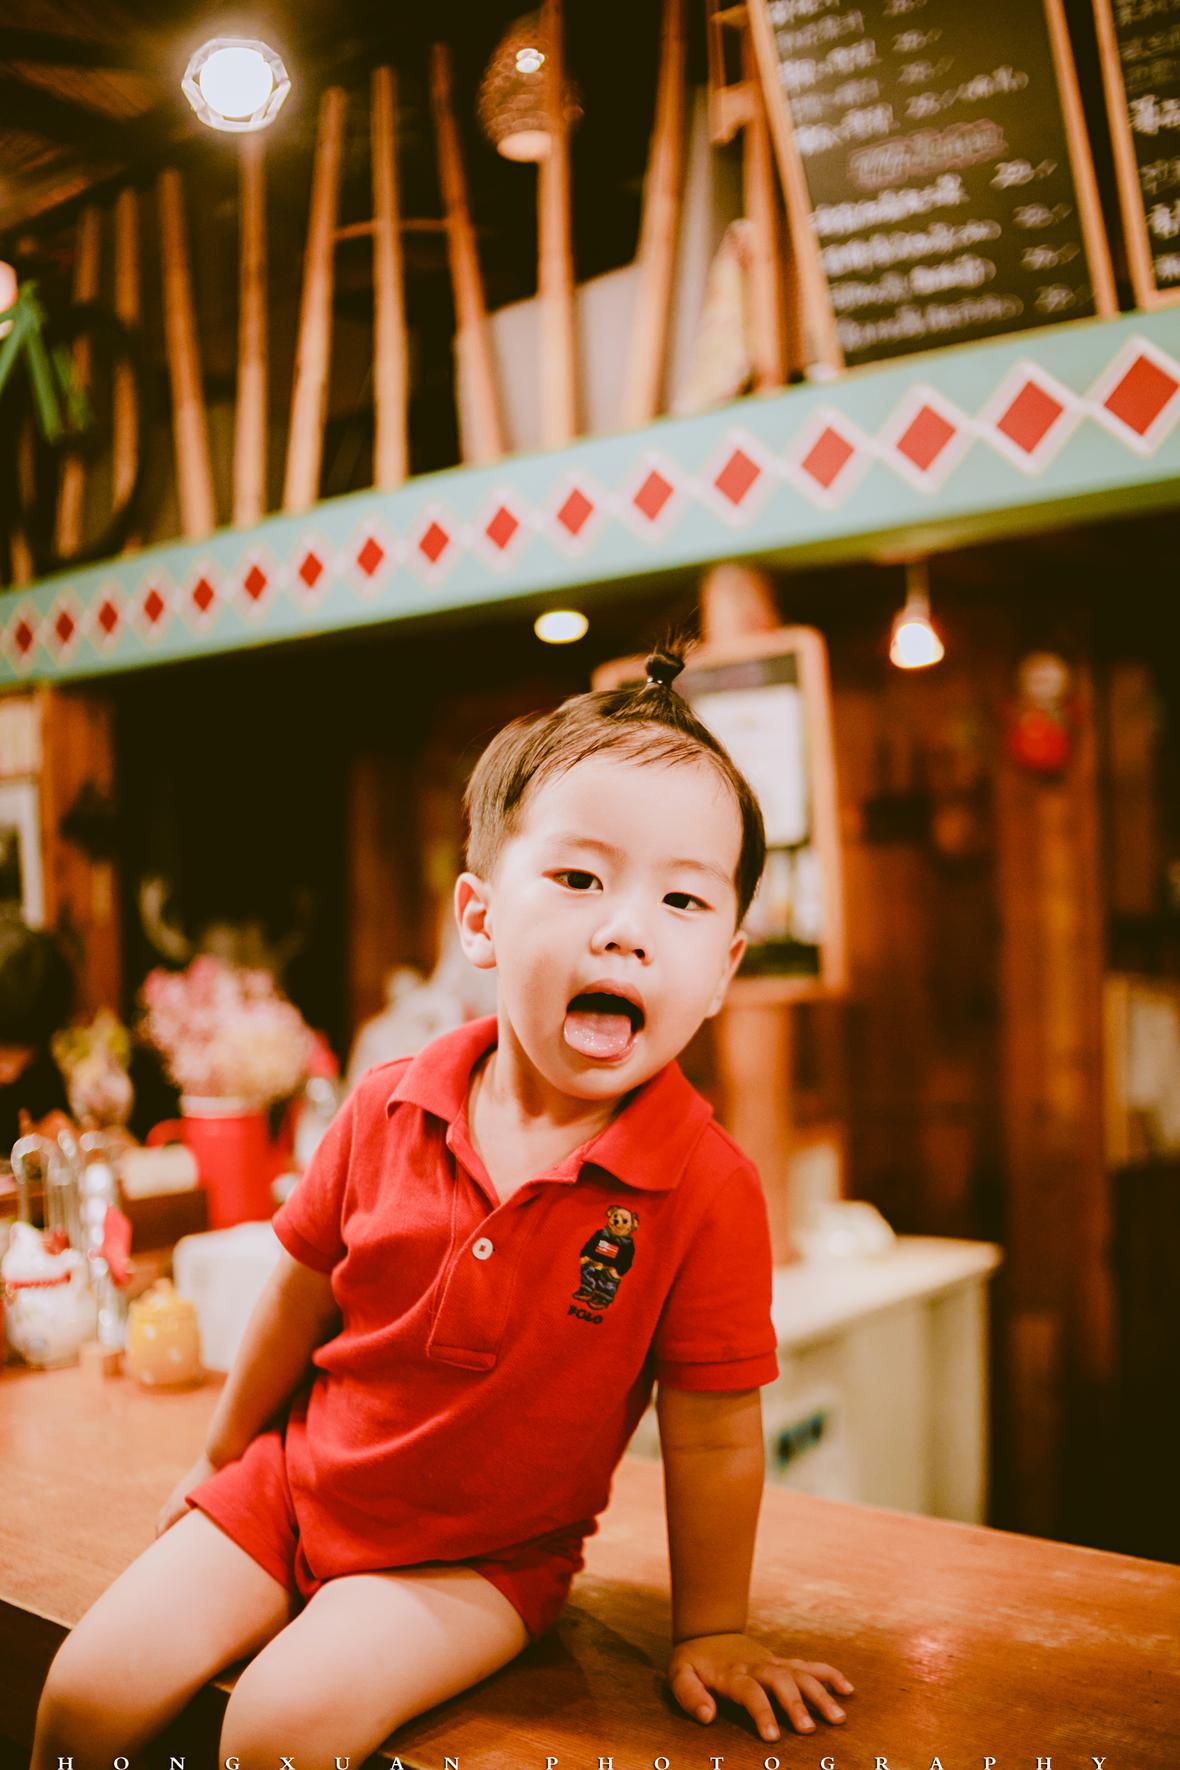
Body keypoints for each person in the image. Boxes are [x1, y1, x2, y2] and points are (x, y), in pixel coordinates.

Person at [32, 641, 855, 1767]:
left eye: (680, 899)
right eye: (580, 879)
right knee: (81, 1698)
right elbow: (297, 1298)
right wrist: (222, 1457)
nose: (627, 927)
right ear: (479, 919)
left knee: (276, 1731)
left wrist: (711, 1628)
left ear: (721, 967)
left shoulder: (707, 1187)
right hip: (289, 1488)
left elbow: (713, 1434)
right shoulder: (385, 1105)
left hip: (475, 1564)